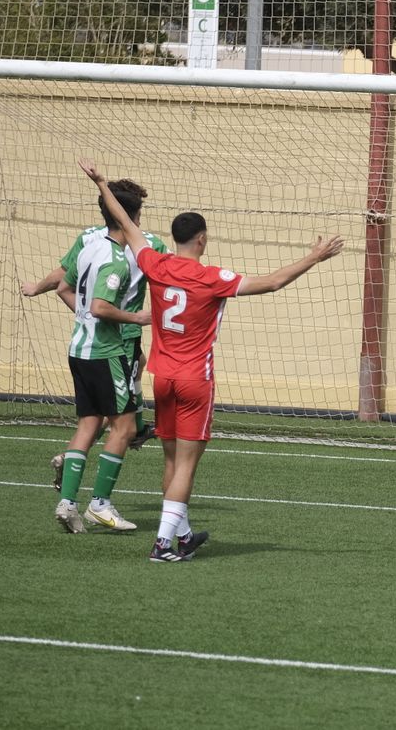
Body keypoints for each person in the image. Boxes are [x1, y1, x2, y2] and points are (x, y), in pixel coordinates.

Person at [78, 158, 344, 562]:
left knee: (170, 458)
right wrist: (314, 257)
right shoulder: (212, 278)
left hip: (162, 377)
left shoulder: (156, 263)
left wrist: (101, 183)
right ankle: (163, 544)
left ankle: (181, 536)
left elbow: (125, 223)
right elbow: (273, 282)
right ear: (201, 239)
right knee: (186, 464)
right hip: (194, 381)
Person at [22, 184, 165, 486]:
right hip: (118, 338)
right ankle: (93, 485)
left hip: (97, 339)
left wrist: (40, 288)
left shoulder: (89, 237)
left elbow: (63, 276)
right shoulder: (150, 244)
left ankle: (125, 433)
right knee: (114, 417)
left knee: (133, 373)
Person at [50, 179, 154, 533]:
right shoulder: (117, 261)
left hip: (78, 348)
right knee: (124, 428)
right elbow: (99, 307)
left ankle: (67, 503)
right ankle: (100, 504)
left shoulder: (87, 247)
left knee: (89, 424)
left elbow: (64, 287)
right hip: (106, 352)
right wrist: (136, 317)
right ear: (130, 218)